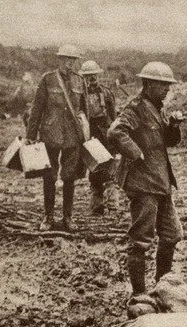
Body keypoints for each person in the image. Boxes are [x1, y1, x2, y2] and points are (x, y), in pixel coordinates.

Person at [107, 62, 185, 298]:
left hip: (160, 181)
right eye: (163, 85)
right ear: (149, 84)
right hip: (143, 184)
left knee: (171, 234)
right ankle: (139, 295)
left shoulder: (157, 108)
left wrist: (173, 126)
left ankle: (162, 288)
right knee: (141, 240)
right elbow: (115, 132)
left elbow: (168, 142)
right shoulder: (136, 108)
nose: (167, 90)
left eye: (168, 86)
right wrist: (136, 152)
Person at [25, 44, 86, 231]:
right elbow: (36, 109)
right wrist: (31, 135)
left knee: (70, 176)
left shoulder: (79, 81)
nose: (69, 63)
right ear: (59, 60)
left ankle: (68, 217)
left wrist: (86, 136)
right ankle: (48, 217)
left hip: (72, 136)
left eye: (72, 60)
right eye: (66, 59)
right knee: (49, 176)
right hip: (51, 134)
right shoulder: (48, 80)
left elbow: (84, 111)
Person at [79, 60, 118, 216]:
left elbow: (114, 117)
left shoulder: (107, 93)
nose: (92, 79)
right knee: (94, 171)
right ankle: (97, 206)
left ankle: (113, 207)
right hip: (89, 135)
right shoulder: (80, 96)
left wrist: (114, 137)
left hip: (105, 134)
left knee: (110, 170)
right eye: (88, 76)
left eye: (94, 75)